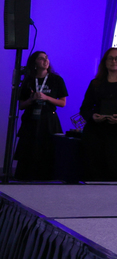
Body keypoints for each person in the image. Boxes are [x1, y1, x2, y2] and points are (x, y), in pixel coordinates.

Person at [80, 48, 117, 181]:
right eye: (110, 58)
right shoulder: (95, 83)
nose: (114, 61)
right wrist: (93, 116)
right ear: (105, 62)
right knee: (93, 171)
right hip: (95, 134)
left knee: (116, 170)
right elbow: (85, 108)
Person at [15, 51, 67, 180]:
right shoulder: (28, 80)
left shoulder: (56, 79)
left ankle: (47, 179)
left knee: (48, 151)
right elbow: (21, 105)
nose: (45, 60)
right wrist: (31, 99)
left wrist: (46, 97)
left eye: (46, 58)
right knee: (29, 151)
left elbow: (62, 103)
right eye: (41, 58)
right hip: (31, 120)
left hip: (49, 120)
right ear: (34, 63)